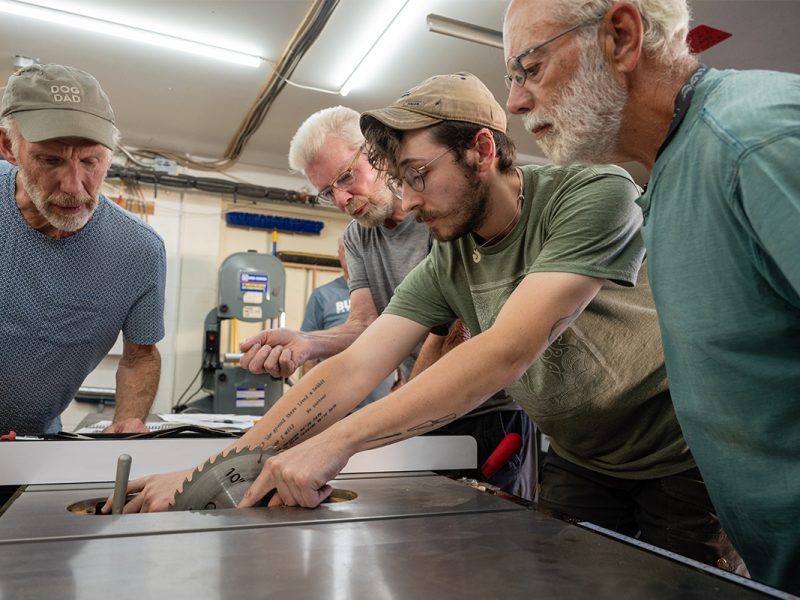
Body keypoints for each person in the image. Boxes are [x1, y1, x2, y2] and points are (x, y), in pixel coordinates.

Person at [119, 73, 741, 574]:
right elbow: (352, 367)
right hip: (583, 454)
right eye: (400, 182)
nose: (409, 202)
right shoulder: (449, 256)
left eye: (418, 176)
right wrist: (212, 470)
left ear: (483, 148)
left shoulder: (593, 194)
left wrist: (331, 445)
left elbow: (507, 350)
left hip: (680, 452)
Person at [503, 0, 798, 592]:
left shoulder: (756, 138)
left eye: (529, 68)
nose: (515, 102)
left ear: (621, 35)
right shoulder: (665, 175)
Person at [246, 105, 536, 499]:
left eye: (347, 177)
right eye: (328, 192)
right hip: (414, 413)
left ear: (379, 156)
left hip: (484, 413)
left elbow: (456, 329)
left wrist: (382, 417)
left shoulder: (445, 212)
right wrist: (307, 341)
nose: (343, 198)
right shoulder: (358, 238)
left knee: (483, 539)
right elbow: (365, 325)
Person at [0, 63, 166, 435]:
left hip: (34, 447)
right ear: (9, 146)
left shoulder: (138, 251)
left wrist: (127, 422)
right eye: (50, 160)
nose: (75, 186)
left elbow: (140, 355)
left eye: (90, 161)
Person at [299, 236, 394, 407]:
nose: (351, 256)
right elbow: (308, 350)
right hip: (333, 396)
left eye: (355, 251)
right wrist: (308, 397)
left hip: (379, 397)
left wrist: (401, 383)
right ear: (338, 254)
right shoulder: (322, 295)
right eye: (346, 251)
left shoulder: (385, 291)